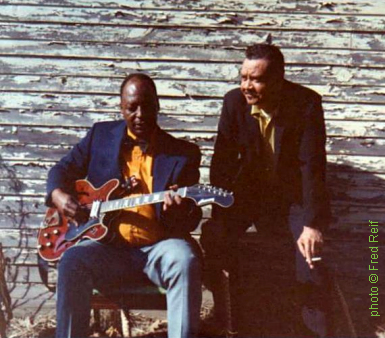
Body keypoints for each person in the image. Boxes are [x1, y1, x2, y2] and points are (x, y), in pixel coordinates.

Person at [46, 73, 203, 338]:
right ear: (121, 108)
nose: (140, 114)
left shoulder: (182, 154)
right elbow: (61, 169)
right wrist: (58, 195)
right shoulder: (100, 136)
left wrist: (177, 210)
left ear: (157, 105)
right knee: (72, 260)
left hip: (159, 248)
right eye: (132, 107)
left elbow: (191, 218)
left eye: (147, 106)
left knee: (185, 259)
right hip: (108, 248)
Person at [202, 43, 332, 337]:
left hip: (294, 198)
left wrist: (312, 224)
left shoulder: (306, 104)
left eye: (256, 79)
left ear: (278, 80)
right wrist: (220, 214)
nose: (246, 86)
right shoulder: (234, 103)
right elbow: (221, 163)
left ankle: (318, 331)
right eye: (243, 77)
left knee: (310, 264)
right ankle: (227, 317)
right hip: (251, 196)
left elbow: (312, 167)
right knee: (214, 237)